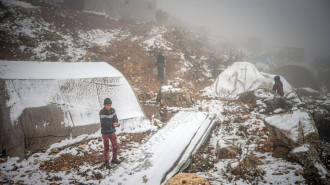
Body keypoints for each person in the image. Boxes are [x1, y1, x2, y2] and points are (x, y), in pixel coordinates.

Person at [99, 98, 121, 169]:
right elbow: (104, 122)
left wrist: (116, 123)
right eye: (108, 105)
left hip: (112, 131)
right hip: (105, 132)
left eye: (110, 105)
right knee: (107, 147)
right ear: (104, 105)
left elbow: (115, 117)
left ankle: (114, 159)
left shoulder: (112, 110)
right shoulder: (102, 112)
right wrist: (112, 124)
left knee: (115, 145)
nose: (109, 106)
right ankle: (106, 162)